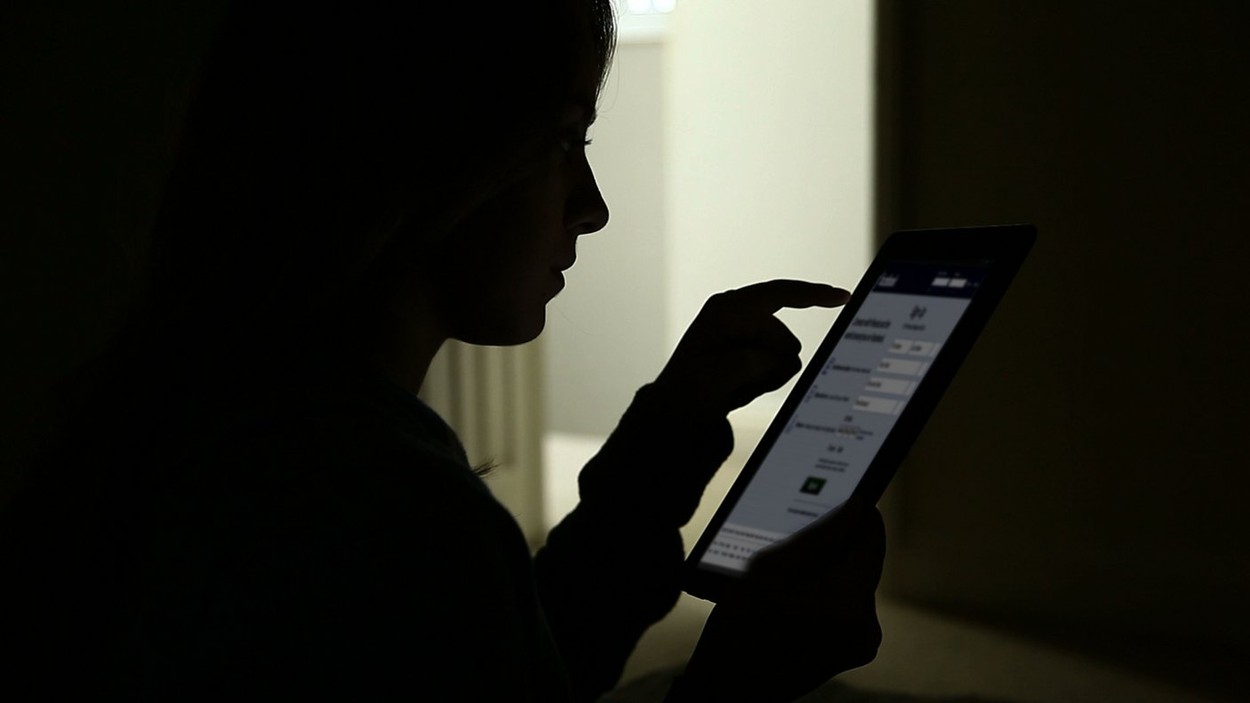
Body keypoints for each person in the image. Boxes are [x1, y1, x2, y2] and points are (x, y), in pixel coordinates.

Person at [0, 1, 885, 701]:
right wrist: (739, 681)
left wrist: (670, 432)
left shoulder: (208, 415)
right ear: (437, 153)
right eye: (562, 141)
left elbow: (521, 653)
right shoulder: (380, 511)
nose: (592, 205)